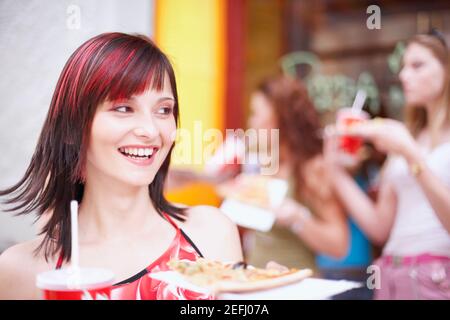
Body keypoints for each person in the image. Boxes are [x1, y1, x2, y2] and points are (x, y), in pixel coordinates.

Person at [0, 32, 243, 300]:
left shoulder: (212, 233)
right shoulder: (23, 271)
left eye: (163, 110)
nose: (151, 131)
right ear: (72, 127)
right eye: (124, 108)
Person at [325, 31, 450, 299]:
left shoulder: (405, 142)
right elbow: (380, 227)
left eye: (417, 65)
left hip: (435, 278)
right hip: (391, 276)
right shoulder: (408, 135)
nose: (404, 76)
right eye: (403, 67)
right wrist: (335, 172)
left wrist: (409, 153)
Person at [243, 75, 349, 271]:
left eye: (256, 114)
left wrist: (299, 219)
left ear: (280, 119)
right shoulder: (261, 162)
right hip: (257, 284)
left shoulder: (311, 169)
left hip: (296, 287)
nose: (251, 122)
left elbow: (339, 244)